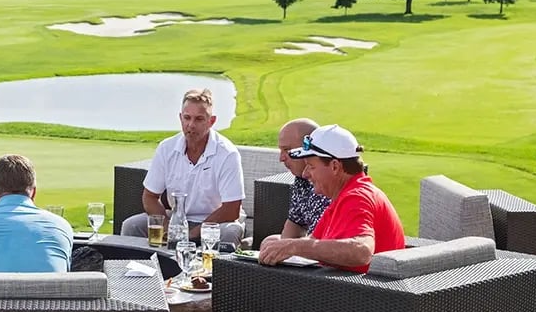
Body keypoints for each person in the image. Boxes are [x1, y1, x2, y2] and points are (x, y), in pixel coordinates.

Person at [258, 124, 405, 273]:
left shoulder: (357, 197)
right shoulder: (342, 196)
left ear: (335, 166)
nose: (305, 174)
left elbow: (362, 251)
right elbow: (314, 240)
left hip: (359, 293)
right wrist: (282, 246)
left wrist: (293, 246)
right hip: (337, 289)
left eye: (311, 166)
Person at [120, 89, 245, 245]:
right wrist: (167, 227)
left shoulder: (227, 154)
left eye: (199, 119)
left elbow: (231, 209)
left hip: (215, 223)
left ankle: (218, 270)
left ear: (211, 121)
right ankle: (137, 269)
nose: (191, 125)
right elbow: (150, 197)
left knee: (230, 232)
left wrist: (192, 234)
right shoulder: (166, 148)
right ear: (180, 118)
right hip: (176, 220)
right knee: (132, 226)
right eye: (187, 118)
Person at [277, 118, 330, 237]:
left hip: (326, 249)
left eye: (287, 150)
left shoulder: (329, 185)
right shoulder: (301, 180)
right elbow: (295, 223)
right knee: (270, 242)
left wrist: (286, 248)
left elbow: (321, 243)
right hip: (312, 246)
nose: (281, 158)